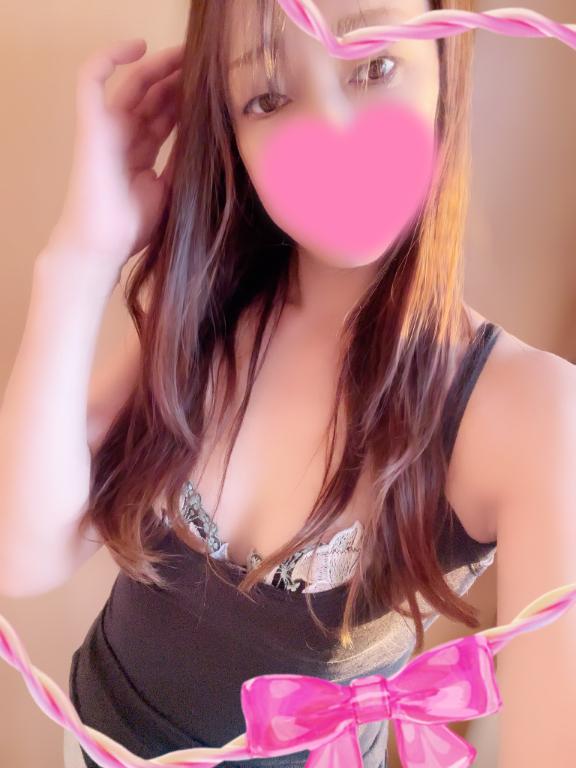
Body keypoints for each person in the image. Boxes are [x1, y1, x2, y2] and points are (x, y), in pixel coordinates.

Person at [0, 1, 569, 767]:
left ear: (445, 59)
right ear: (231, 133)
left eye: (374, 65)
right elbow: (23, 554)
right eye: (267, 98)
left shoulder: (529, 413)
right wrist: (81, 257)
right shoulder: (207, 314)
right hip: (88, 743)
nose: (331, 131)